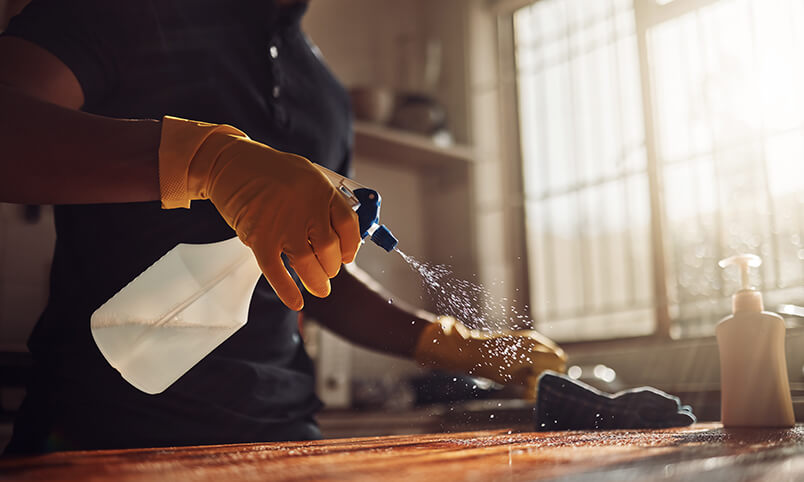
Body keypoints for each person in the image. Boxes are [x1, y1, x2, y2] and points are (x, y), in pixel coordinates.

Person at [0, 0, 566, 454]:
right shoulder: (120, 9)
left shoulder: (326, 95)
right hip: (98, 433)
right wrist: (204, 160)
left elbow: (314, 271)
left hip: (281, 436)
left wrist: (454, 345)